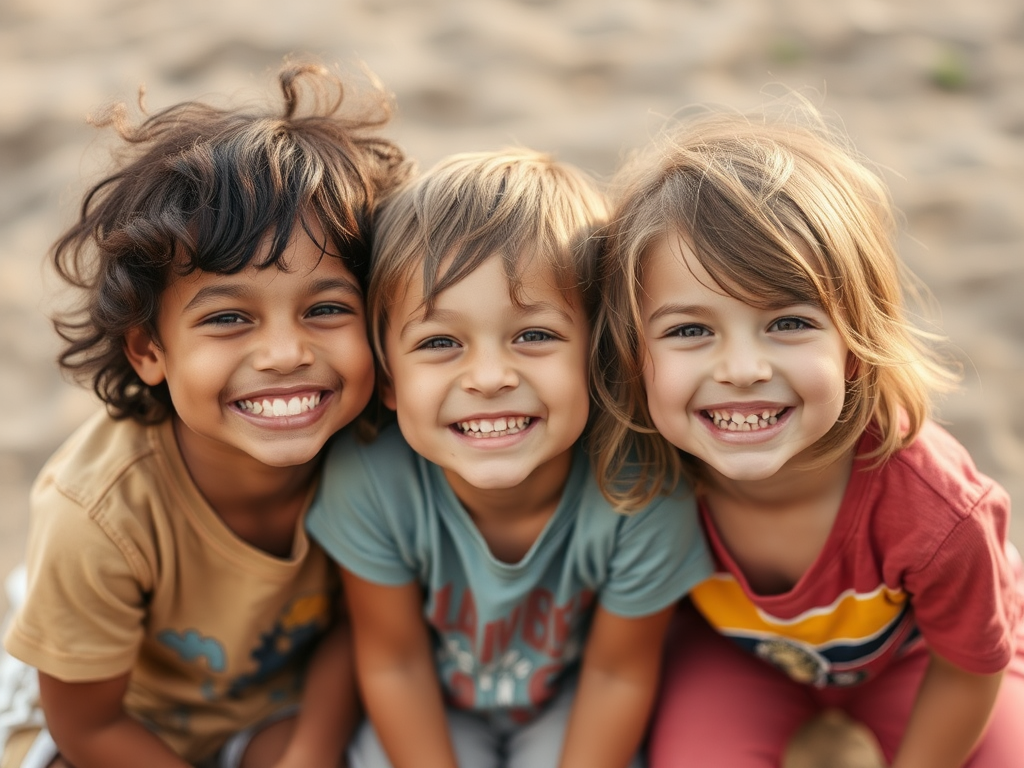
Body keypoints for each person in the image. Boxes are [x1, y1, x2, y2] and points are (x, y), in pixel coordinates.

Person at [0, 61, 412, 768]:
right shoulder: (99, 513)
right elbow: (88, 726)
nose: (285, 353)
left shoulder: (380, 447)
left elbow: (361, 624)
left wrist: (309, 749)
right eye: (228, 318)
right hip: (115, 719)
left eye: (326, 308)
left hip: (272, 706)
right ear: (148, 349)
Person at [591, 100, 1024, 767]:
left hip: (923, 660)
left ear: (855, 343)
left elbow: (969, 669)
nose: (741, 369)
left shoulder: (939, 512)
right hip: (742, 659)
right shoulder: (642, 468)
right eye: (689, 330)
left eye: (788, 323)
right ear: (633, 354)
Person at [305, 148, 711, 768]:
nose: (490, 377)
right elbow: (395, 661)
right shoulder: (371, 479)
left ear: (598, 355)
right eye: (440, 342)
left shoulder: (643, 491)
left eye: (534, 336)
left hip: (571, 704)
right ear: (388, 378)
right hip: (433, 705)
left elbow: (616, 674)